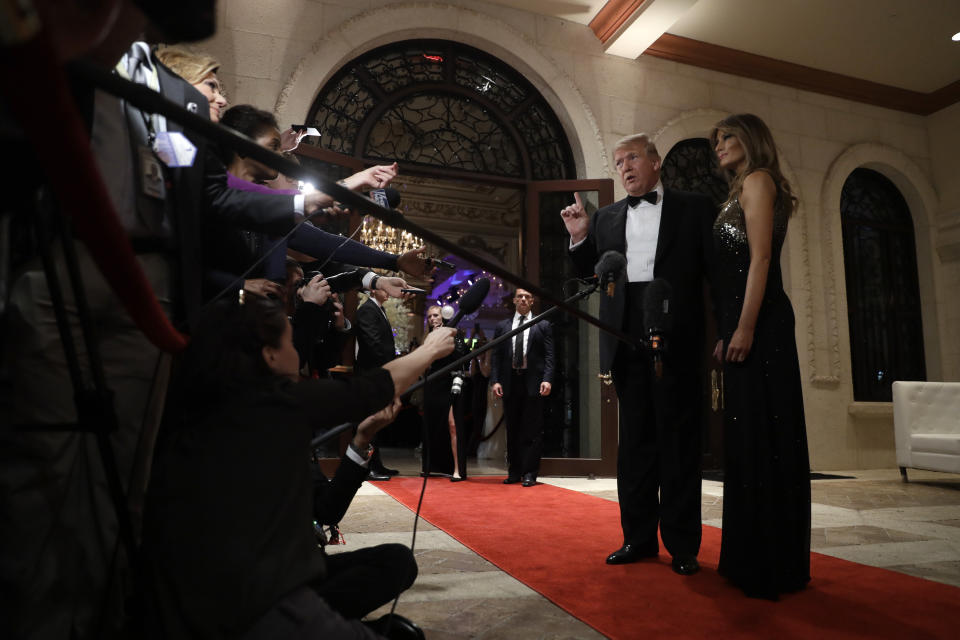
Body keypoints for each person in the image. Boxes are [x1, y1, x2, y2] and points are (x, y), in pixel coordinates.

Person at [140, 296, 456, 637]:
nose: (299, 352)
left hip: (266, 576)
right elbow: (367, 390)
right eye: (291, 341)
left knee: (394, 561)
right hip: (252, 597)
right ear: (270, 354)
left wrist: (362, 437)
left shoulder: (213, 405)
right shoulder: (270, 404)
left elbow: (324, 509)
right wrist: (429, 351)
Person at [560, 133, 715, 576]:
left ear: (655, 161)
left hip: (677, 333)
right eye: (618, 161)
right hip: (626, 335)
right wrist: (578, 238)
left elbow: (714, 274)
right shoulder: (607, 216)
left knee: (679, 444)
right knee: (635, 446)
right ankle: (638, 539)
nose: (625, 166)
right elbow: (593, 273)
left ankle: (683, 546)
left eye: (632, 158)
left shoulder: (694, 207)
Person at [710, 113, 811, 599]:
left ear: (751, 139)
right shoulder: (738, 189)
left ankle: (771, 564)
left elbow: (762, 259)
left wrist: (746, 326)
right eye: (716, 140)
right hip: (746, 322)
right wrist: (727, 329)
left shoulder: (758, 179)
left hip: (765, 324)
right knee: (749, 437)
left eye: (727, 136)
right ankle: (752, 557)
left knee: (765, 435)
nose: (719, 145)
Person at [490, 289, 554, 487]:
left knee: (532, 429)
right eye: (520, 296)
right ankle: (514, 472)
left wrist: (547, 379)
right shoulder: (503, 326)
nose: (524, 299)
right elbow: (496, 357)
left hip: (533, 382)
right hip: (510, 382)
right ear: (515, 300)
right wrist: (496, 381)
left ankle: (530, 473)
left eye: (527, 297)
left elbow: (550, 355)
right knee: (513, 429)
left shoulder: (543, 325)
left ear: (532, 301)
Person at [355, 287, 402, 480]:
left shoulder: (378, 309)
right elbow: (372, 344)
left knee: (377, 422)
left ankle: (377, 465)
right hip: (371, 373)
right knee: (371, 420)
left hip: (378, 373)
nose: (389, 292)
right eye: (385, 288)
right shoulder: (367, 309)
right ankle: (368, 467)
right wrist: (388, 369)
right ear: (373, 290)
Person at [421, 305, 468, 479]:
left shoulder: (454, 333)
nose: (432, 319)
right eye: (430, 316)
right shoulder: (429, 337)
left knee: (453, 425)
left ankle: (457, 469)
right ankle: (431, 467)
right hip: (433, 383)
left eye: (435, 315)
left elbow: (462, 357)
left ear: (443, 317)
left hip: (450, 381)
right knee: (432, 424)